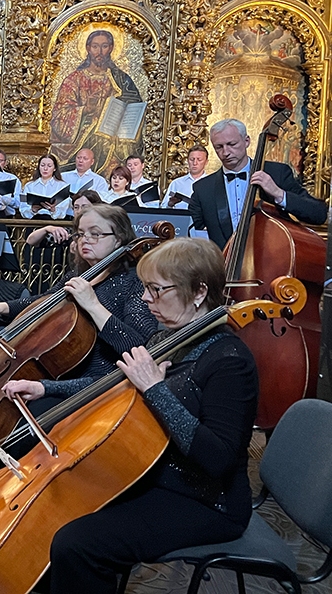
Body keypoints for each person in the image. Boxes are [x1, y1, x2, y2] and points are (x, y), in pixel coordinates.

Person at [46, 238, 259, 594]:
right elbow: (116, 382)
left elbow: (217, 457)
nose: (146, 299)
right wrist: (46, 389)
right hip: (155, 474)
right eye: (146, 288)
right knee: (60, 507)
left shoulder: (229, 361)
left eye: (156, 290)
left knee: (77, 544)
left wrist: (155, 390)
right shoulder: (172, 336)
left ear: (198, 292)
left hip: (207, 501)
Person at [0, 204, 158, 417]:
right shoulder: (77, 275)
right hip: (60, 373)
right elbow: (44, 301)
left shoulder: (134, 282)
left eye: (95, 234)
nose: (84, 239)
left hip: (100, 384)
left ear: (118, 239)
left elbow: (139, 346)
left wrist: (93, 305)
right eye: (80, 234)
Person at [189, 118, 327, 249]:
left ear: (246, 141)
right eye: (219, 147)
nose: (225, 152)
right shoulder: (203, 188)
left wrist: (279, 194)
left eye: (232, 144)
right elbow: (190, 231)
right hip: (224, 268)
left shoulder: (277, 172)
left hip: (272, 264)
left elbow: (319, 214)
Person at [50, 29, 142, 165]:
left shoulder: (121, 79)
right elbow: (59, 114)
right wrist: (85, 110)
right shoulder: (74, 79)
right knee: (99, 138)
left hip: (115, 135)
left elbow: (134, 107)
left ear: (111, 48)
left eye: (104, 46)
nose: (99, 51)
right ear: (88, 48)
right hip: (83, 135)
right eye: (95, 46)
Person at [26, 190, 102, 247]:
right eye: (76, 207)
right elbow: (31, 241)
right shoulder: (69, 231)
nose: (79, 211)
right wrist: (47, 229)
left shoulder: (103, 229)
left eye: (85, 207)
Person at [20, 154, 71, 220]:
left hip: (54, 223)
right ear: (39, 167)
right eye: (42, 165)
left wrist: (53, 210)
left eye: (49, 166)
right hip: (34, 221)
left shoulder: (62, 186)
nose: (45, 168)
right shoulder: (29, 186)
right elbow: (23, 208)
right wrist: (32, 210)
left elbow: (63, 211)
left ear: (55, 168)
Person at [164, 145, 208, 209]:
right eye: (192, 159)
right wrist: (170, 204)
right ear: (187, 161)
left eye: (199, 159)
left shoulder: (212, 184)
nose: (195, 163)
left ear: (206, 162)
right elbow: (163, 208)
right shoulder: (176, 183)